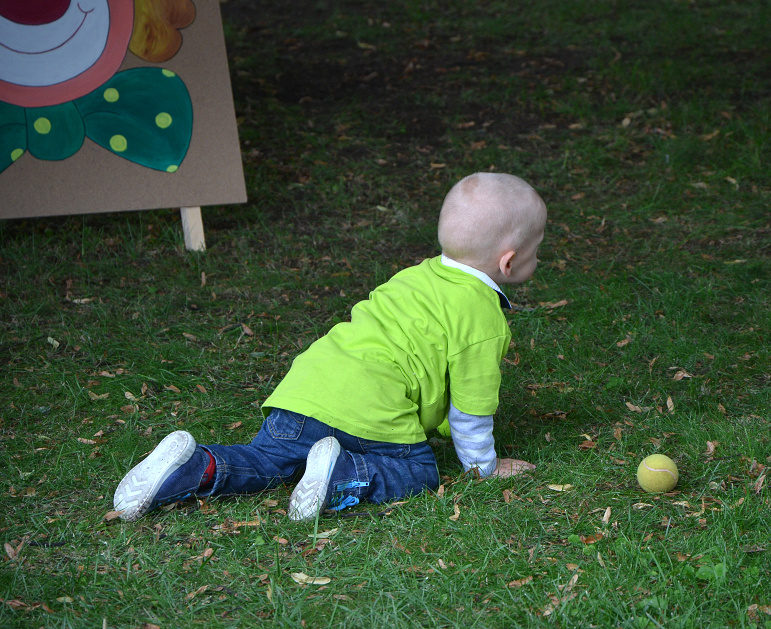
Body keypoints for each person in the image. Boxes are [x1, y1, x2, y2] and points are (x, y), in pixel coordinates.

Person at [114, 172, 547, 522]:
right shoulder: (483, 318)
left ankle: (191, 467)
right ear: (508, 261)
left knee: (266, 462)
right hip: (371, 407)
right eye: (537, 249)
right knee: (420, 471)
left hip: (306, 389)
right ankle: (343, 474)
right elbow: (471, 410)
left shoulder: (417, 275)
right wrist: (484, 468)